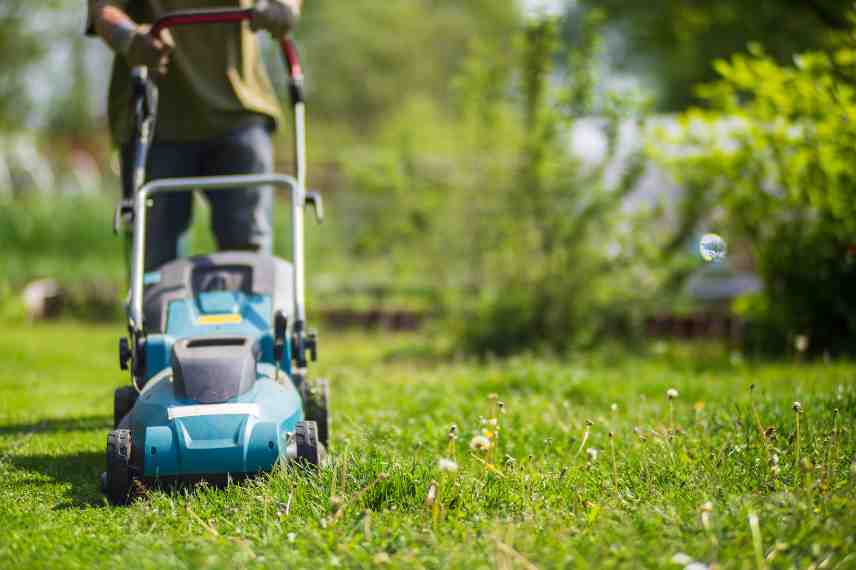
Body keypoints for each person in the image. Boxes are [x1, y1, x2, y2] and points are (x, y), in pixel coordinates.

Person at [87, 0, 302, 271]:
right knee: (154, 261)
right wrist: (130, 38)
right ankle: (156, 313)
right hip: (155, 122)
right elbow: (103, 10)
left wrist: (284, 6)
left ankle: (249, 311)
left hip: (239, 111)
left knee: (250, 256)